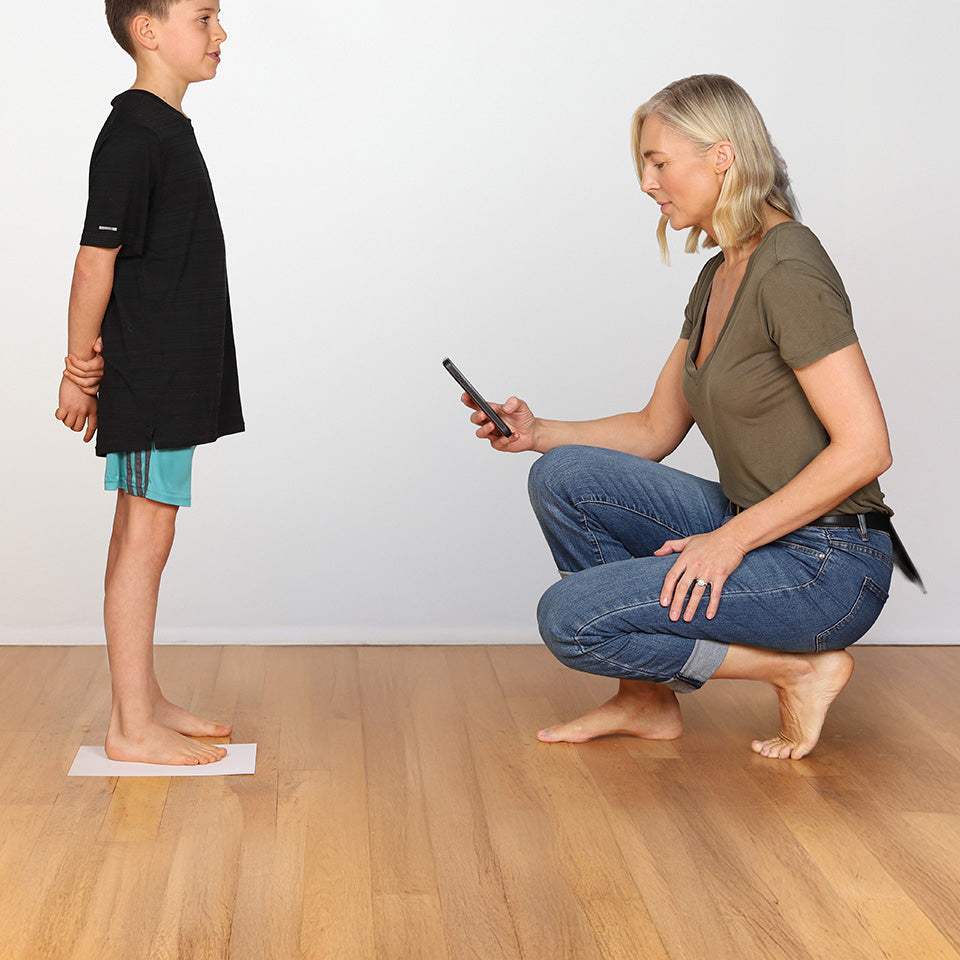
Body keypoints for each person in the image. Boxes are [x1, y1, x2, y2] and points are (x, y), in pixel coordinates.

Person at [463, 74, 920, 760]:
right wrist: (538, 434)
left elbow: (866, 448)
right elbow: (656, 428)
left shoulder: (789, 267)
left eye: (658, 162)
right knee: (563, 475)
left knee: (570, 619)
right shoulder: (718, 274)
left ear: (722, 156)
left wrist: (728, 541)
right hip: (763, 530)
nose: (647, 183)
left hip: (829, 564)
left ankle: (799, 670)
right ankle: (645, 701)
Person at [55, 0, 243, 765]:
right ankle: (131, 728)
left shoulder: (165, 128)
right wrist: (79, 370)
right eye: (204, 17)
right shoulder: (133, 133)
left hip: (174, 370)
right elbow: (93, 260)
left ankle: (144, 701)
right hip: (151, 375)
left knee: (142, 529)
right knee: (145, 531)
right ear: (148, 31)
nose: (221, 33)